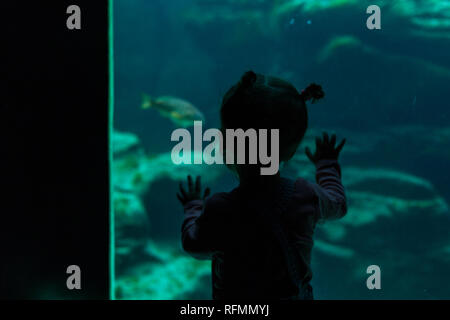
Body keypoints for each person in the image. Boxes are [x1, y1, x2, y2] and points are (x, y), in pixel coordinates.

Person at [177, 70, 347, 300]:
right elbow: (338, 203)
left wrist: (193, 208)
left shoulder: (221, 209)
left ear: (224, 142)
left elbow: (193, 244)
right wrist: (326, 165)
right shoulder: (306, 195)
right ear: (292, 147)